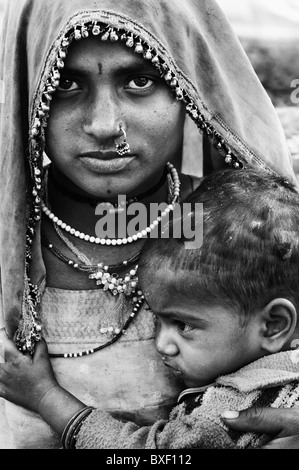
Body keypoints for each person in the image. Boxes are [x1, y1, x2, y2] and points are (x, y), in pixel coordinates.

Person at [0, 0, 298, 450]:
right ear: (32, 93)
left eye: (140, 80)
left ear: (189, 89)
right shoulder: (10, 247)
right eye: (65, 82)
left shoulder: (250, 230)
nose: (104, 126)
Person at [1, 168, 299, 449]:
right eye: (157, 321)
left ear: (274, 325)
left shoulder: (225, 413)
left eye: (183, 325)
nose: (161, 345)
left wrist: (44, 396)